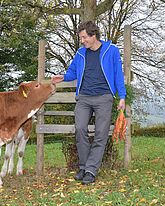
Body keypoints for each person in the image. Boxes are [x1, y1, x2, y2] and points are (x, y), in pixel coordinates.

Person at [51, 21, 126, 185]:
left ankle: (91, 170)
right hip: (84, 98)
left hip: (104, 98)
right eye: (81, 38)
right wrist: (63, 77)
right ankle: (84, 167)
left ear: (93, 36)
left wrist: (122, 96)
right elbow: (72, 72)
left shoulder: (111, 50)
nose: (82, 41)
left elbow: (118, 74)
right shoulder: (80, 53)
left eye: (84, 37)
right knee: (80, 129)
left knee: (100, 134)